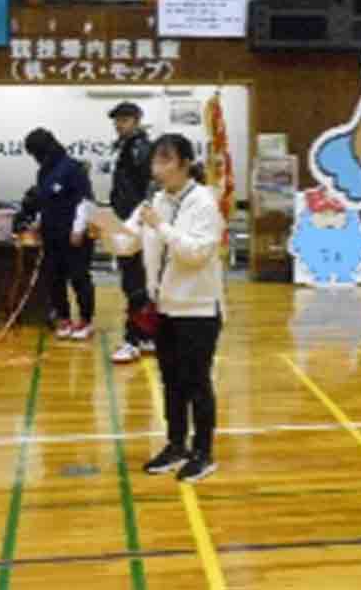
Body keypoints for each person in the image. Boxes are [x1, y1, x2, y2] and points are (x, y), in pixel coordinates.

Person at [119, 134, 225, 483]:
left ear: (185, 164)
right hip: (163, 307)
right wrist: (103, 230)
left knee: (197, 382)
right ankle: (176, 444)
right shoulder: (155, 200)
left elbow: (195, 253)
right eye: (155, 161)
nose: (157, 168)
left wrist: (160, 226)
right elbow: (126, 243)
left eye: (165, 160)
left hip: (197, 309)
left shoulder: (204, 203)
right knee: (172, 381)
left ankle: (203, 452)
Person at [24, 128, 95, 340]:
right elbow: (44, 202)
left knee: (79, 278)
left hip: (74, 235)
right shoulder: (43, 172)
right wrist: (38, 222)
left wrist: (78, 229)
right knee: (54, 278)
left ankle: (85, 320)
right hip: (51, 234)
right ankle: (64, 318)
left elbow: (85, 200)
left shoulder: (73, 168)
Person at [108, 102, 154, 364]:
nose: (118, 124)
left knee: (135, 285)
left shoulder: (141, 149)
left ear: (136, 120)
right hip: (126, 222)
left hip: (136, 225)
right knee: (137, 284)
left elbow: (148, 188)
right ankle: (145, 336)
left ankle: (133, 339)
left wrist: (140, 220)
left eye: (124, 120)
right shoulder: (126, 147)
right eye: (116, 120)